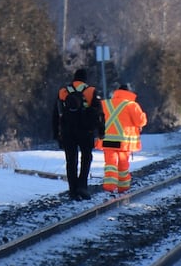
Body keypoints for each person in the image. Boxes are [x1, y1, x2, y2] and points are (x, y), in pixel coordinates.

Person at [52, 68, 102, 200]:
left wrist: (56, 134)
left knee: (71, 160)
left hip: (68, 131)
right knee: (86, 158)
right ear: (85, 79)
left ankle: (73, 191)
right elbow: (99, 114)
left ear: (74, 79)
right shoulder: (91, 91)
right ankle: (82, 186)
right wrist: (101, 131)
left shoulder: (63, 92)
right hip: (86, 132)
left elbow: (55, 114)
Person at [95, 82, 147, 194]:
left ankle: (109, 187)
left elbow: (97, 118)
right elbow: (140, 121)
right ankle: (123, 188)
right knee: (123, 164)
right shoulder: (132, 105)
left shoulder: (105, 103)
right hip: (123, 141)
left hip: (107, 139)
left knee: (110, 164)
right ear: (129, 93)